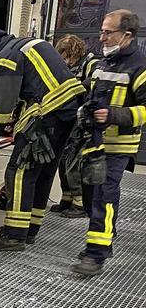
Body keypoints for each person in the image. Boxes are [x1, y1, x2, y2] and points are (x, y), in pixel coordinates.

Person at [0, 28, 87, 251]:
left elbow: (3, 104)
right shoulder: (31, 44)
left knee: (19, 172)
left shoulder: (7, 55)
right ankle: (30, 230)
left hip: (47, 115)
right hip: (68, 112)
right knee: (43, 171)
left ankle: (14, 235)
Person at [72, 9, 146, 275]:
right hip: (93, 142)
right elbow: (89, 94)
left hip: (118, 146)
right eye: (101, 31)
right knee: (91, 194)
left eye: (108, 32)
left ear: (127, 35)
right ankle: (106, 235)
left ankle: (97, 253)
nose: (102, 37)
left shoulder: (140, 67)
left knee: (104, 195)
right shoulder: (102, 63)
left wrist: (115, 114)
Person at [50, 34, 100, 218]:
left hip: (83, 121)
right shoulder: (63, 67)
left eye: (69, 58)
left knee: (74, 162)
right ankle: (67, 198)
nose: (67, 62)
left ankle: (80, 203)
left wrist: (75, 87)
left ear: (76, 53)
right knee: (62, 160)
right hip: (67, 120)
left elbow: (95, 83)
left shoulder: (92, 64)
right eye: (64, 58)